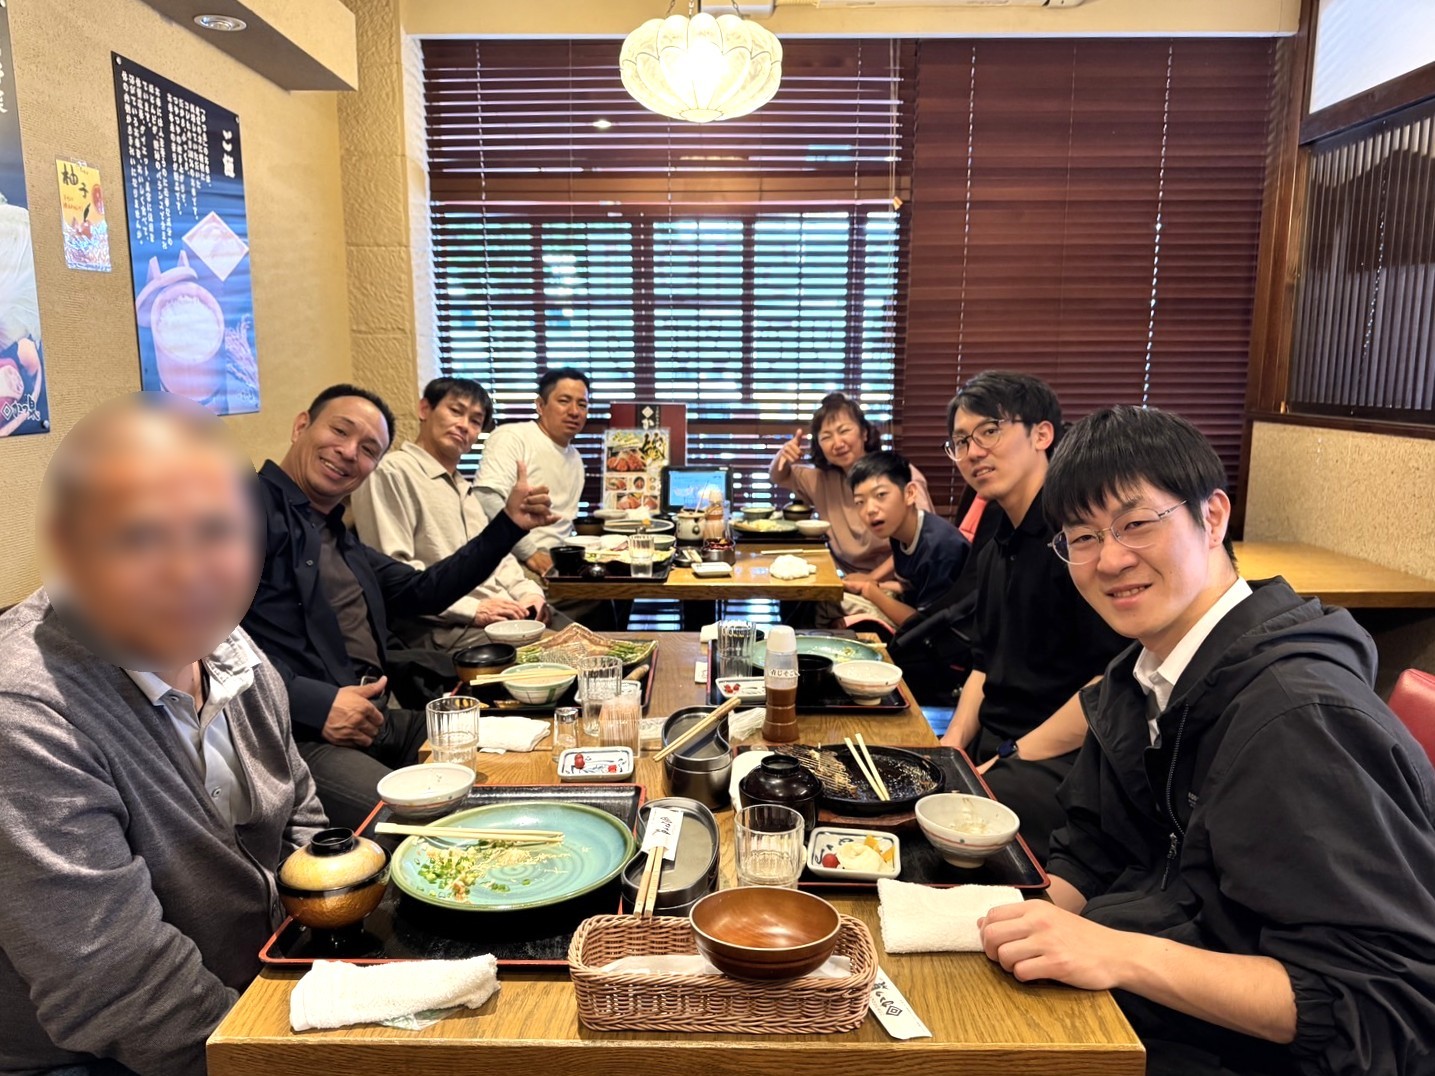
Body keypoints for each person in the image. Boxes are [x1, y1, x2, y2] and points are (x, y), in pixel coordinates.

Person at [979, 405, 1435, 1074]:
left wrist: (1116, 952)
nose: (1110, 558)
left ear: (1212, 516)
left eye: (1136, 523)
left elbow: (1375, 1006)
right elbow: (1093, 848)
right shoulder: (1142, 677)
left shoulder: (1297, 718)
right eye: (1082, 536)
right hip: (1148, 989)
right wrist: (998, 929)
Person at [0, 395, 327, 1075]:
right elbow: (116, 988)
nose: (188, 570)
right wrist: (282, 1059)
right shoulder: (27, 714)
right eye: (140, 538)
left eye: (216, 531)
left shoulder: (229, 646)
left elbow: (300, 811)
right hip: (113, 1056)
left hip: (263, 995)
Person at [243, 384, 557, 829]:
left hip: (377, 719)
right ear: (301, 426)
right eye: (340, 431)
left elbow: (422, 591)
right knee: (439, 826)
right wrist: (317, 704)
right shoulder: (245, 512)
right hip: (300, 737)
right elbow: (209, 643)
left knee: (527, 751)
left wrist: (508, 525)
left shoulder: (335, 535)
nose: (349, 452)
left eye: (368, 449)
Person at [937, 372, 1125, 862]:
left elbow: (1113, 682)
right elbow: (983, 663)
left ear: (1042, 434)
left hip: (1065, 758)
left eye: (989, 431)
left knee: (945, 834)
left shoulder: (1078, 541)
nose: (974, 452)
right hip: (1001, 749)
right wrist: (951, 746)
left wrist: (1010, 758)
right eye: (961, 441)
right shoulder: (997, 538)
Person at [350, 376, 561, 652]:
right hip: (442, 628)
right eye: (455, 411)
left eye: (475, 421)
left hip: (502, 616)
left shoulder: (463, 488)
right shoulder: (391, 473)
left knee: (592, 641)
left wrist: (529, 594)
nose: (464, 425)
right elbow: (395, 579)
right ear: (425, 409)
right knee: (568, 652)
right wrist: (473, 609)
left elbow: (496, 559)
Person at [770, 392, 935, 626]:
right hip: (852, 585)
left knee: (808, 603)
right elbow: (779, 475)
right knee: (795, 594)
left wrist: (871, 579)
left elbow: (924, 539)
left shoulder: (896, 476)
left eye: (844, 430)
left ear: (864, 433)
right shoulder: (823, 480)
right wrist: (783, 454)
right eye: (826, 436)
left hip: (896, 590)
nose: (838, 443)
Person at [473, 367, 590, 579]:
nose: (574, 411)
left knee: (620, 584)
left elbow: (563, 524)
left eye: (582, 404)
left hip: (558, 558)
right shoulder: (512, 437)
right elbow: (486, 498)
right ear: (540, 406)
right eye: (564, 401)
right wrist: (531, 553)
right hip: (513, 560)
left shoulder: (576, 459)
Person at [845, 450, 969, 629]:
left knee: (831, 610)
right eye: (860, 502)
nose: (870, 509)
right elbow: (913, 587)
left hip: (945, 635)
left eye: (881, 495)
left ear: (910, 493)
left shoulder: (939, 547)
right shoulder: (900, 532)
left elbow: (927, 626)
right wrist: (876, 584)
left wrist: (870, 590)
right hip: (918, 616)